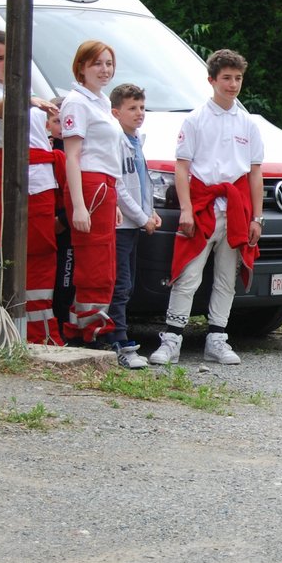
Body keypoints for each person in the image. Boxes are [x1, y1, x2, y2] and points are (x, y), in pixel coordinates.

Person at [147, 49, 264, 367]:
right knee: (189, 274)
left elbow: (254, 174)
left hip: (235, 210)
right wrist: (186, 209)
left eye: (238, 78)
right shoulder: (196, 119)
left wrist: (257, 216)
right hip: (202, 207)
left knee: (228, 276)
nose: (233, 84)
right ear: (212, 80)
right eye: (226, 78)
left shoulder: (249, 124)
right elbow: (182, 168)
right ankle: (172, 338)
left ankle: (217, 338)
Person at [0, 30, 64, 345]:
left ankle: (38, 329)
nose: (7, 64)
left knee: (42, 257)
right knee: (21, 255)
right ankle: (22, 330)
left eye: (12, 57)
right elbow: (1, 107)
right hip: (17, 181)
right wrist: (30, 99)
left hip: (41, 182)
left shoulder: (24, 88)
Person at [59, 40, 121, 346]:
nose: (105, 69)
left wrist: (117, 197)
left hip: (105, 186)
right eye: (97, 63)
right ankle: (88, 331)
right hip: (89, 185)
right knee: (93, 263)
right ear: (81, 67)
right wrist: (79, 207)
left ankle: (95, 327)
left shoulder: (102, 101)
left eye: (109, 63)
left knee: (106, 261)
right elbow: (72, 155)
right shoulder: (76, 102)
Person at [107, 83, 160, 370]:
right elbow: (118, 186)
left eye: (141, 107)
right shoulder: (117, 140)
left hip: (135, 223)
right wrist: (142, 217)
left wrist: (150, 212)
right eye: (132, 108)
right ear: (116, 112)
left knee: (127, 284)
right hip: (122, 226)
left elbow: (142, 182)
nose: (139, 113)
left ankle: (118, 335)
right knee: (120, 284)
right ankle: (118, 340)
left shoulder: (138, 140)